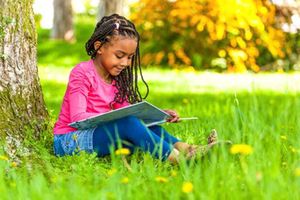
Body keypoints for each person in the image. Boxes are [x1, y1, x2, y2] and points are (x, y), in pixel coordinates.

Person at [53, 14, 219, 163]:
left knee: (143, 126)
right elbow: (77, 117)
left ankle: (189, 149)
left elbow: (126, 112)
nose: (125, 63)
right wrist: (119, 120)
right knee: (129, 123)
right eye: (119, 56)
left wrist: (158, 114)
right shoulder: (82, 73)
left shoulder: (118, 79)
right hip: (69, 140)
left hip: (101, 135)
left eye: (130, 58)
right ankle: (178, 160)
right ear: (99, 47)